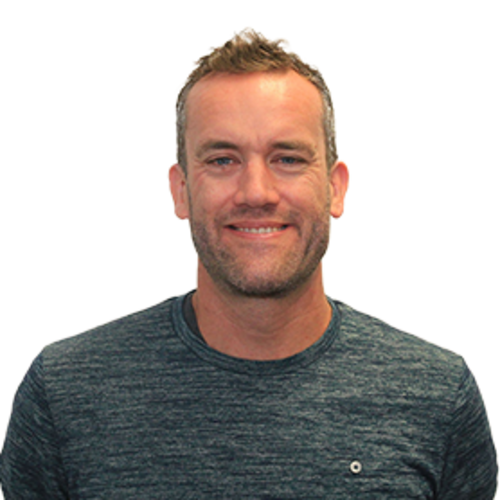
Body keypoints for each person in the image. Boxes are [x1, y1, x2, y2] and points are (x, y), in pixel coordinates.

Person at [1, 25, 498, 499]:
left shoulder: (438, 395)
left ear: (336, 187)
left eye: (288, 158)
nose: (256, 192)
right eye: (222, 160)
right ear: (179, 190)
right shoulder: (63, 394)